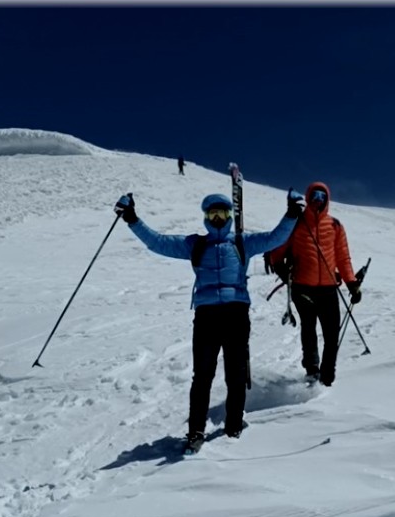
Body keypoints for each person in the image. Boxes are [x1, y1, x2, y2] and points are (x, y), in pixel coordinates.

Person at [115, 188, 303, 451]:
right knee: (202, 376)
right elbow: (158, 242)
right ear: (206, 217)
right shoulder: (196, 244)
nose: (217, 219)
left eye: (222, 214)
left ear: (229, 216)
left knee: (236, 373)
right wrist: (132, 219)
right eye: (212, 214)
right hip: (206, 317)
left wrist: (291, 214)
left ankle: (234, 425)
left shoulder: (242, 242)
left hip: (236, 314)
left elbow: (275, 238)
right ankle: (196, 431)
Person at [266, 182, 360, 387]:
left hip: (328, 288)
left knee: (332, 332)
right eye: (315, 195)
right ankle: (312, 369)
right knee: (308, 327)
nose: (318, 200)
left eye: (322, 196)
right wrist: (279, 266)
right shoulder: (297, 223)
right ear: (308, 197)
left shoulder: (335, 226)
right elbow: (277, 248)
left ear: (327, 200)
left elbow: (343, 258)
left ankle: (327, 374)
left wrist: (352, 283)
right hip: (302, 287)